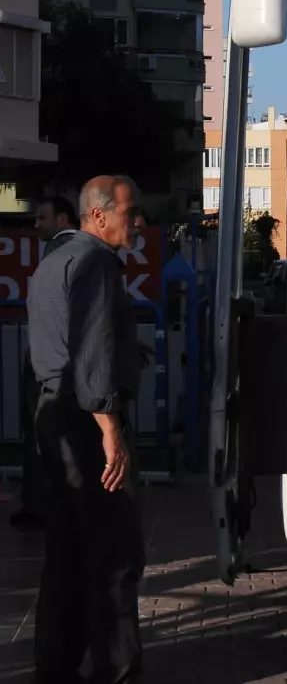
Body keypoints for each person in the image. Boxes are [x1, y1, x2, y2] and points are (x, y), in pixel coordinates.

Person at [27, 176, 147, 684]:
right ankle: (115, 672)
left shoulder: (53, 261)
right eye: (130, 211)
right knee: (114, 554)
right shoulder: (97, 262)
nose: (138, 222)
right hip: (85, 422)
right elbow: (91, 357)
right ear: (99, 215)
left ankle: (55, 666)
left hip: (53, 416)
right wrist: (111, 430)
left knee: (66, 550)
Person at [11, 197, 81, 530]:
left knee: (42, 432)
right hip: (57, 359)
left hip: (48, 361)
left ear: (63, 217)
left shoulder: (62, 252)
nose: (36, 225)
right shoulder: (71, 251)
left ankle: (42, 504)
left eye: (42, 217)